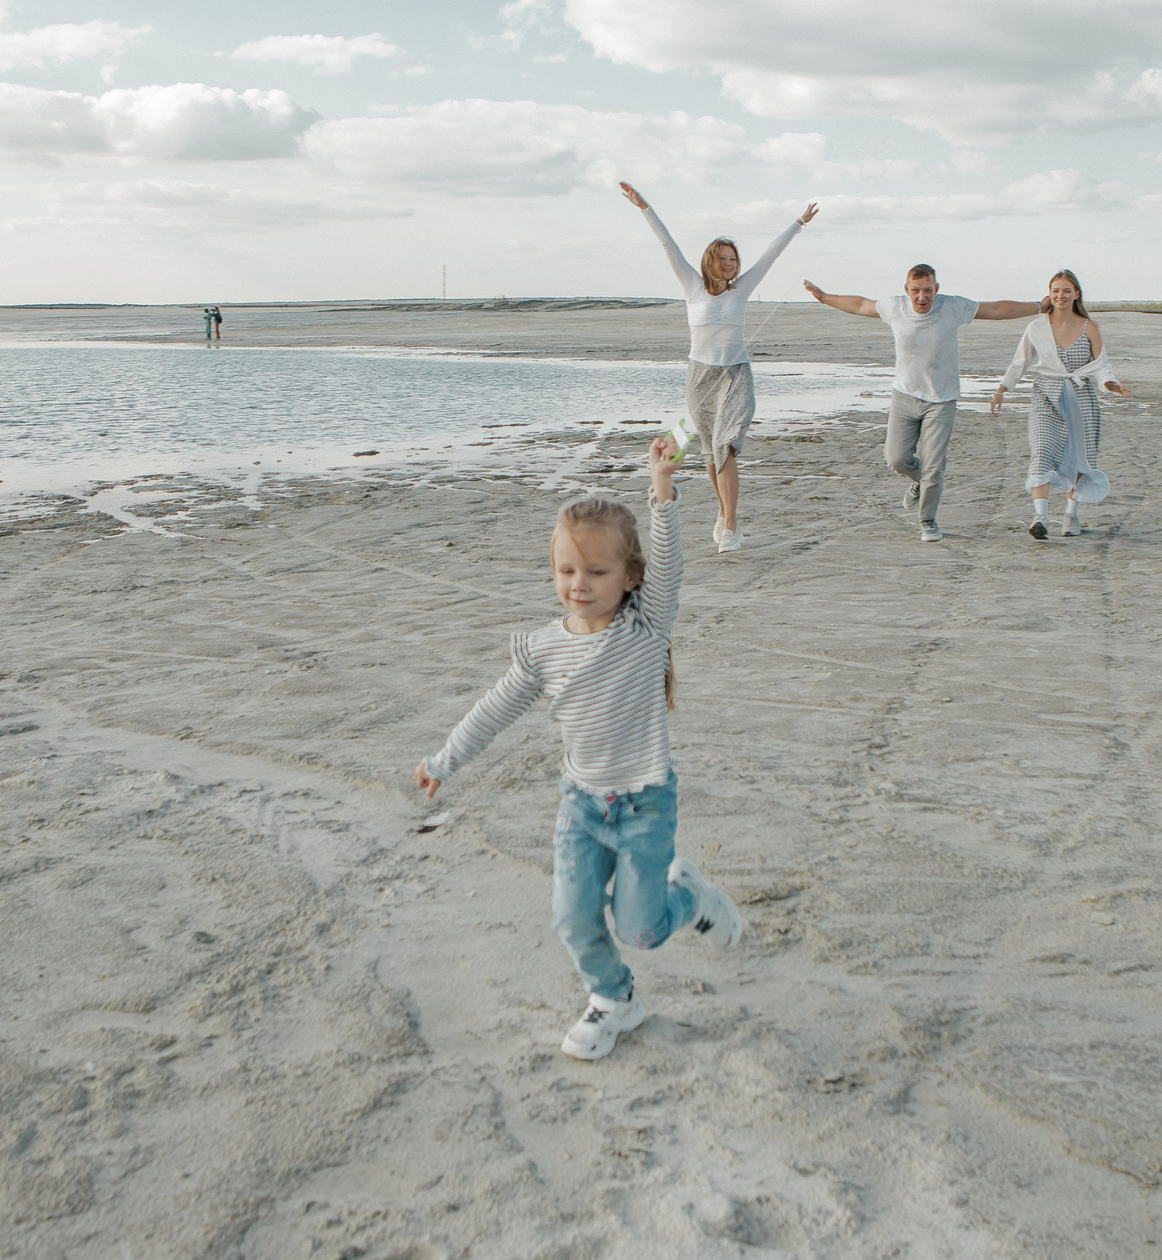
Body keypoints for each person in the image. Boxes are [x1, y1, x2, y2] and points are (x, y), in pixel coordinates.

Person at [414, 436, 743, 1062]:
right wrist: (444, 760)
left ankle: (691, 897)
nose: (580, 584)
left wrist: (663, 489)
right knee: (573, 916)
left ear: (630, 577)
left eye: (596, 572)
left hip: (646, 805)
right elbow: (495, 708)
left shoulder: (645, 626)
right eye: (567, 571)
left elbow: (671, 565)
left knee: (641, 928)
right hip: (581, 807)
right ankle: (614, 1000)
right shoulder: (542, 648)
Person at [616, 182, 817, 553]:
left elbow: (771, 255)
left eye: (734, 258)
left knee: (725, 447)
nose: (730, 264)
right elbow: (667, 245)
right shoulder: (692, 285)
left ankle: (730, 524)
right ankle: (724, 513)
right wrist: (645, 207)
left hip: (735, 374)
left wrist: (798, 223)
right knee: (708, 451)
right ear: (710, 260)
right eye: (724, 258)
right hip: (700, 376)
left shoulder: (743, 288)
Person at [802, 266, 1045, 541]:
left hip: (942, 400)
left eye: (927, 290)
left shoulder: (952, 307)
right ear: (906, 289)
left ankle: (927, 520)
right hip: (904, 395)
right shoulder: (895, 307)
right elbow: (860, 304)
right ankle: (918, 480)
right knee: (896, 459)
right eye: (916, 290)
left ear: (936, 289)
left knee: (934, 465)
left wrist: (1038, 305)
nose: (922, 297)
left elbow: (996, 310)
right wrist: (824, 297)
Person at [990, 269, 1129, 538]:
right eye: (1056, 290)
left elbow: (1101, 366)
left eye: (1066, 291)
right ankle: (1040, 517)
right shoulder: (1036, 327)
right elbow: (1021, 362)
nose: (1060, 295)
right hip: (1045, 395)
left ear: (1076, 294)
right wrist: (1001, 389)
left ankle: (1070, 515)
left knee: (1079, 457)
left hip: (1080, 399)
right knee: (1041, 450)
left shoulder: (1090, 328)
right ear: (1049, 294)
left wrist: (1110, 384)